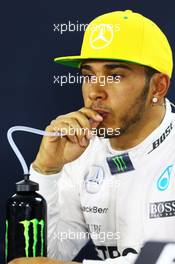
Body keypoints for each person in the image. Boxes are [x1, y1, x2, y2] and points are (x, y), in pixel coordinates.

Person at [9, 9, 175, 264]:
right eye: (88, 75)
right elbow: (47, 254)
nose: (95, 92)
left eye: (115, 75)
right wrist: (46, 171)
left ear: (158, 86)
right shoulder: (82, 148)